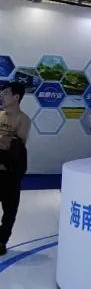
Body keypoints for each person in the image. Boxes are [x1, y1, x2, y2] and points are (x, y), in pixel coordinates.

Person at [0, 82, 31, 255]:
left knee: (10, 211)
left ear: (16, 97)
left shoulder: (23, 120)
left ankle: (1, 241)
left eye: (5, 93)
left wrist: (4, 142)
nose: (1, 96)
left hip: (10, 173)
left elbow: (16, 148)